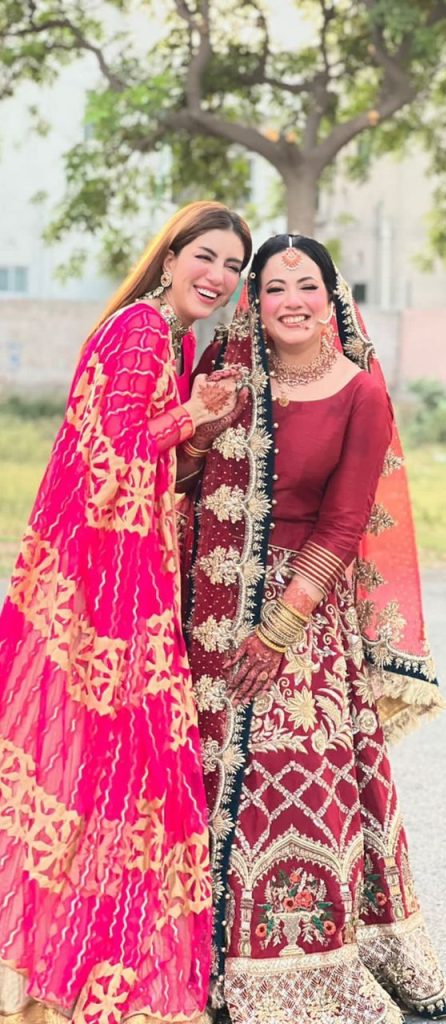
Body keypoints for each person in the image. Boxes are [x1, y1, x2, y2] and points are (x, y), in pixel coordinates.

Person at [180, 234, 446, 1024]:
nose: (289, 300)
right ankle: (196, 973)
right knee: (192, 781)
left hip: (302, 619)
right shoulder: (222, 374)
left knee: (294, 784)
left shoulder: (360, 392)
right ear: (252, 301)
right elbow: (177, 476)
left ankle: (298, 972)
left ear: (333, 296)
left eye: (306, 285)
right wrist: (200, 428)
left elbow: (341, 523)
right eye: (271, 287)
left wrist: (277, 630)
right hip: (206, 608)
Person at [0, 201, 252, 1024]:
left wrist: (189, 427)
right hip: (111, 590)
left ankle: (56, 970)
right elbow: (110, 452)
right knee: (129, 769)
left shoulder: (166, 339)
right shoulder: (145, 328)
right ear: (171, 255)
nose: (216, 277)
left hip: (120, 575)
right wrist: (197, 416)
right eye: (205, 257)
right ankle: (97, 974)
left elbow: (139, 459)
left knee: (97, 770)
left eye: (231, 268)